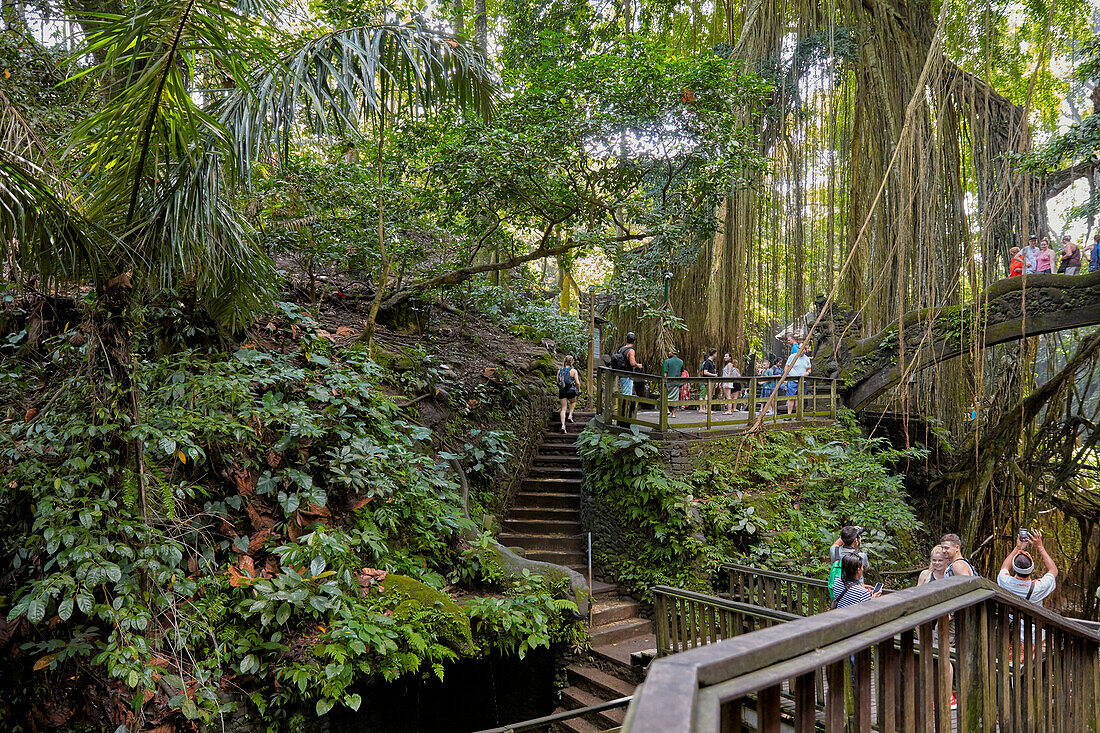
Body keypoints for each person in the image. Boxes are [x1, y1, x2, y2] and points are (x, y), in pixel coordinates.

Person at [997, 529, 1057, 605]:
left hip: (1009, 617)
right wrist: (1040, 547)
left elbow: (1004, 567)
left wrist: (1018, 547)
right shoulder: (1038, 588)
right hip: (1032, 617)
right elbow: (1053, 570)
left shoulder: (1005, 581)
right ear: (1032, 569)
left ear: (1013, 567)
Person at [613, 333, 642, 420]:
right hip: (628, 376)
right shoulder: (631, 351)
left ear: (626, 340)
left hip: (621, 375)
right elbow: (632, 363)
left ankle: (623, 416)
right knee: (627, 396)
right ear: (634, 341)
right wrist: (638, 365)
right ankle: (623, 418)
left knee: (624, 394)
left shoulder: (621, 349)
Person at [783, 336, 812, 416]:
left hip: (802, 381)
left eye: (802, 349)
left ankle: (797, 415)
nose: (800, 350)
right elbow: (786, 367)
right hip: (792, 380)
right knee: (791, 398)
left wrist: (807, 373)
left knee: (799, 398)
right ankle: (789, 415)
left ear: (805, 350)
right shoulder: (792, 356)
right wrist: (786, 378)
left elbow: (809, 369)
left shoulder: (806, 359)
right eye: (799, 348)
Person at [556, 356, 580, 433]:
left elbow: (557, 382)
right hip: (570, 390)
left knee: (563, 408)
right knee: (572, 402)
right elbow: (577, 382)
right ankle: (570, 415)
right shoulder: (573, 371)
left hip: (562, 391)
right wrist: (578, 390)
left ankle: (563, 426)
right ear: (572, 362)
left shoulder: (560, 370)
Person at [661, 347, 684, 418]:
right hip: (677, 383)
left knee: (665, 397)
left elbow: (665, 373)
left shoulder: (667, 361)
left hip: (668, 382)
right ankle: (673, 414)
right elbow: (682, 371)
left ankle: (667, 410)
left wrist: (663, 381)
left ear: (672, 352)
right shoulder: (681, 361)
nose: (668, 353)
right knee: (675, 399)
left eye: (669, 352)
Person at [700, 348, 718, 413]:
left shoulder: (712, 362)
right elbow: (705, 372)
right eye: (716, 353)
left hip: (712, 381)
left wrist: (716, 381)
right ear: (713, 354)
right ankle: (708, 409)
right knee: (708, 394)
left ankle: (709, 409)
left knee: (711, 395)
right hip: (708, 381)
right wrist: (714, 375)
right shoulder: (707, 362)